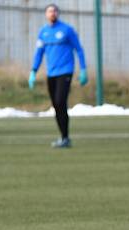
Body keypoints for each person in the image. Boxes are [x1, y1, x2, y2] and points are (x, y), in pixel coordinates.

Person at [28, 3, 87, 148]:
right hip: (51, 73)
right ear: (46, 15)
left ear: (58, 13)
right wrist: (33, 71)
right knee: (56, 105)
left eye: (54, 11)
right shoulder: (43, 32)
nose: (52, 13)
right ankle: (64, 138)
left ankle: (65, 137)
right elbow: (39, 53)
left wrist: (83, 69)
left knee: (61, 101)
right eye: (49, 11)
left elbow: (79, 49)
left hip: (65, 71)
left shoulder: (67, 30)